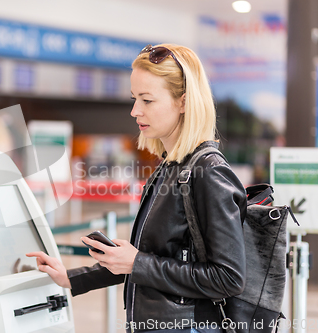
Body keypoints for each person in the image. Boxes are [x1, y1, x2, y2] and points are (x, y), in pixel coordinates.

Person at [27, 44, 247, 333]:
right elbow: (148, 259)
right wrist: (71, 277)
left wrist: (137, 262)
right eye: (134, 99)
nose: (134, 111)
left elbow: (228, 278)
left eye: (147, 100)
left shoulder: (207, 171)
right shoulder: (170, 167)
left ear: (183, 102)